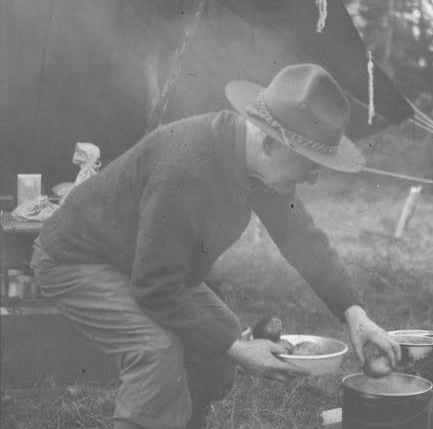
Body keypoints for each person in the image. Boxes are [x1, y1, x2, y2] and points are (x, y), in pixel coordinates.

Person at [31, 63, 401, 429]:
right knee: (157, 351)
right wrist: (238, 349)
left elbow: (303, 239)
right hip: (77, 259)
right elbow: (154, 288)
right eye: (309, 166)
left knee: (218, 338)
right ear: (271, 143)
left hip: (140, 262)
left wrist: (356, 315)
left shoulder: (260, 166)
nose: (314, 180)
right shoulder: (185, 168)